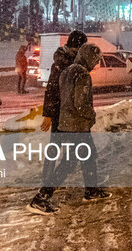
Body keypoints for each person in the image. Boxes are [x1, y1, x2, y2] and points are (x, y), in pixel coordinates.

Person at [27, 43, 112, 215]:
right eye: (95, 60)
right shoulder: (82, 74)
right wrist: (91, 115)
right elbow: (80, 103)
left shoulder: (67, 71)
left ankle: (91, 190)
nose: (95, 65)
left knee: (86, 156)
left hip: (66, 123)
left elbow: (62, 97)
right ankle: (41, 197)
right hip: (78, 125)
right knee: (70, 161)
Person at [37, 31, 87, 204]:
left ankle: (50, 184)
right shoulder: (62, 64)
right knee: (60, 149)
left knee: (67, 150)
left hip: (69, 113)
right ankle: (47, 185)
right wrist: (49, 115)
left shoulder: (73, 62)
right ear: (78, 47)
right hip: (61, 113)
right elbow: (51, 90)